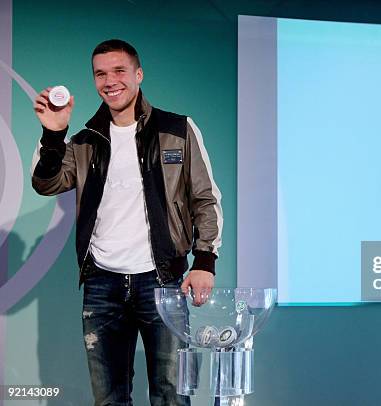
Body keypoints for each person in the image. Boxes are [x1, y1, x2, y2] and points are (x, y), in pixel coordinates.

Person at [31, 39, 223, 406]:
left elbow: (205, 198)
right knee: (109, 399)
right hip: (102, 284)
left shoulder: (177, 129)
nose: (110, 81)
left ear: (138, 74)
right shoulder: (85, 140)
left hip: (162, 281)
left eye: (119, 71)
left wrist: (204, 262)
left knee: (172, 396)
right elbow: (47, 183)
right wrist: (54, 134)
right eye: (100, 74)